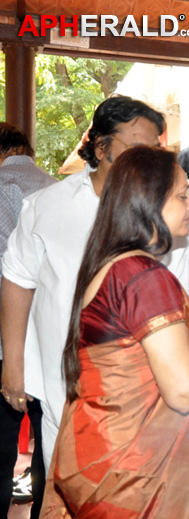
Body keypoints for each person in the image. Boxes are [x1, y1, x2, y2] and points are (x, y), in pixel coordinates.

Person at [38, 146, 189, 519]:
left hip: (101, 450)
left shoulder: (116, 262)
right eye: (182, 196)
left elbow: (136, 346)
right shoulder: (144, 276)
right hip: (133, 471)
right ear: (148, 202)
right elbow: (183, 392)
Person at [0, 96, 189, 472]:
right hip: (70, 389)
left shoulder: (181, 213)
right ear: (101, 146)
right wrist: (13, 366)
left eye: (155, 148)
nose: (150, 158)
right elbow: (17, 280)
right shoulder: (48, 206)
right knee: (73, 486)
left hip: (163, 390)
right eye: (138, 147)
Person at [0, 123, 55, 519]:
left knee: (1, 442)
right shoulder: (58, 190)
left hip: (3, 337)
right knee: (48, 438)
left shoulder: (2, 186)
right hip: (48, 336)